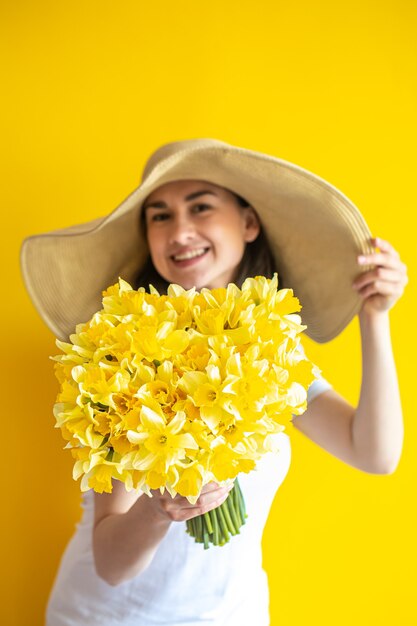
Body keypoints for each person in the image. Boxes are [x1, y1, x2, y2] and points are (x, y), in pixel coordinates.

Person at [20, 139, 407, 626]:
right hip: (107, 618)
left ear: (249, 224)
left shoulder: (271, 354)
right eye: (159, 216)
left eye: (200, 207)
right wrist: (159, 509)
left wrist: (374, 318)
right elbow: (111, 564)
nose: (179, 230)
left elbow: (374, 452)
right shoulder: (127, 356)